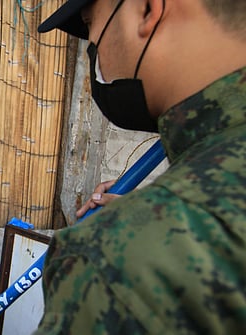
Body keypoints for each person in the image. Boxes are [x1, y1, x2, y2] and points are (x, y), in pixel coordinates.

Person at [34, 0, 246, 334]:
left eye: (90, 25)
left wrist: (139, 227)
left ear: (148, 9)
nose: (93, 48)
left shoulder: (116, 265)